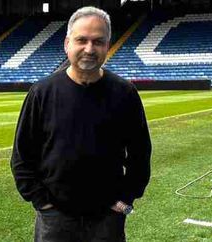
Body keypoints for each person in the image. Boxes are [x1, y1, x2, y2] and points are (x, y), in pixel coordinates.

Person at [10, 6, 152, 242]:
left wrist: (126, 199)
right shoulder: (42, 93)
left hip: (107, 218)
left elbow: (140, 153)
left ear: (108, 45)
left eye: (98, 41)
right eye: (81, 40)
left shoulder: (125, 93)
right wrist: (42, 202)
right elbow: (22, 156)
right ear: (67, 44)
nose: (89, 49)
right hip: (54, 218)